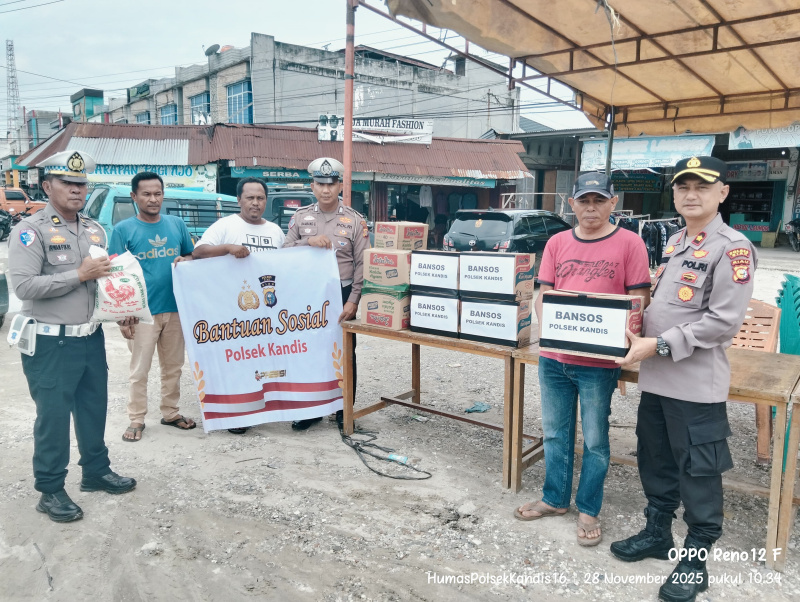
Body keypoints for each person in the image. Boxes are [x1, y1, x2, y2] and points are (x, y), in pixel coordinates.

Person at [611, 157, 756, 602]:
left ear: (722, 193)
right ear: (673, 193)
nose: (691, 195)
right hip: (657, 379)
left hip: (694, 386)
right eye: (683, 187)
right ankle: (658, 533)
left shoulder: (733, 248)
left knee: (699, 471)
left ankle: (695, 561)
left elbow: (722, 323)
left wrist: (657, 344)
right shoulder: (677, 240)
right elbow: (665, 306)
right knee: (654, 459)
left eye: (702, 186)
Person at [513, 172, 651, 547]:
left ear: (613, 203)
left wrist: (609, 329)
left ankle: (588, 508)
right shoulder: (557, 242)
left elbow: (640, 299)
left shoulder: (630, 243)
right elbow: (544, 293)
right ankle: (555, 499)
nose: (591, 208)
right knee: (555, 433)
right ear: (571, 204)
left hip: (599, 363)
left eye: (599, 200)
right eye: (584, 201)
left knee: (595, 440)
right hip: (554, 358)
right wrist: (557, 326)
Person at [8, 150, 136, 523]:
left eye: (82, 183)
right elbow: (25, 287)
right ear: (47, 186)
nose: (77, 189)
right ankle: (50, 489)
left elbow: (101, 284)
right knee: (53, 417)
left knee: (93, 409)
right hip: (50, 342)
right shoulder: (30, 231)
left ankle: (95, 472)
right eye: (68, 182)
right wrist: (78, 274)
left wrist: (121, 310)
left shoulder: (94, 230)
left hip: (90, 337)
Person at [192, 176, 285, 434]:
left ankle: (262, 406)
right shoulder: (225, 225)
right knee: (237, 361)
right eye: (250, 198)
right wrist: (228, 248)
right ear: (239, 200)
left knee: (262, 360)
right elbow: (198, 252)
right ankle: (237, 415)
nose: (255, 203)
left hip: (266, 313)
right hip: (233, 311)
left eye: (260, 198)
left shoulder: (275, 232)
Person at [108, 171, 196, 442]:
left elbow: (190, 254)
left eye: (157, 193)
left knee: (173, 366)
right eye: (146, 194)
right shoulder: (123, 230)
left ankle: (170, 412)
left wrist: (186, 260)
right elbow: (114, 274)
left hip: (175, 309)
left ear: (163, 195)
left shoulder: (176, 224)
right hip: (141, 314)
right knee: (139, 370)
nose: (153, 199)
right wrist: (123, 316)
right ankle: (136, 418)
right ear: (134, 197)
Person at [283, 157, 369, 431]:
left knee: (345, 352)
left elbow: (363, 265)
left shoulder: (354, 220)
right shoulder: (301, 217)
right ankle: (311, 409)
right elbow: (284, 251)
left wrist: (353, 300)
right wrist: (307, 241)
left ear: (340, 186)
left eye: (331, 184)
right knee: (308, 350)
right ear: (312, 186)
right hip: (307, 295)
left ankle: (345, 409)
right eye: (320, 184)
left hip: (342, 293)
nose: (326, 190)